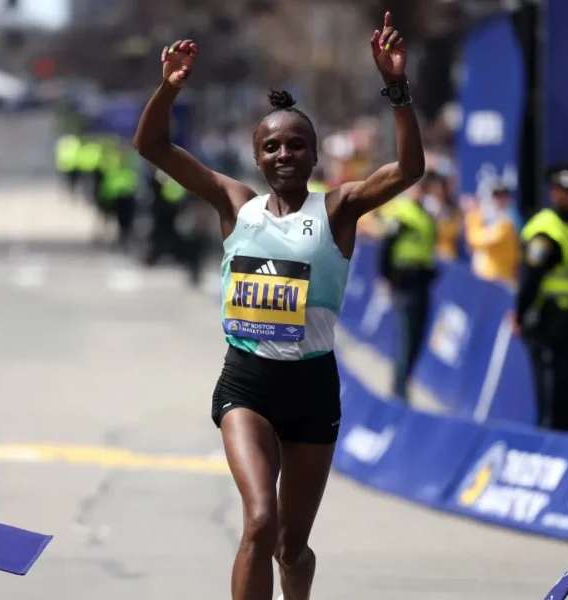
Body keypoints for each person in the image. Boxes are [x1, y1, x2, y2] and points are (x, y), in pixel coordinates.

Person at [133, 12, 424, 600]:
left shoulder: (339, 209)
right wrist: (169, 88)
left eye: (296, 145)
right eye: (272, 146)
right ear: (258, 157)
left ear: (315, 156)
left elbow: (410, 169)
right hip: (248, 382)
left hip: (313, 388)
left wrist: (396, 88)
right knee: (259, 522)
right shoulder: (234, 204)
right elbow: (152, 145)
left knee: (292, 545)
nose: (284, 153)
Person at [511, 158, 568, 432]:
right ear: (554, 192)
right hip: (548, 324)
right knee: (551, 404)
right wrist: (521, 315)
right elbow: (530, 280)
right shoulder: (546, 231)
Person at [379, 177, 438, 402]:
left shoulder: (425, 214)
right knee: (406, 337)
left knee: (417, 337)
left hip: (422, 281)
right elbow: (387, 247)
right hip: (403, 281)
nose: (421, 191)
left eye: (424, 187)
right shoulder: (402, 212)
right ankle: (399, 391)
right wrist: (386, 278)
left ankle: (403, 383)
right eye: (418, 187)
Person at [463, 181, 520, 287]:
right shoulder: (482, 216)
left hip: (504, 276)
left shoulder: (511, 218)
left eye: (503, 196)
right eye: (496, 196)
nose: (499, 200)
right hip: (486, 274)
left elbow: (494, 239)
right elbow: (472, 240)